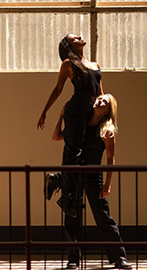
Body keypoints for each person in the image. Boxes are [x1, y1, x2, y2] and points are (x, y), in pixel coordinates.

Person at [46, 94, 132, 270]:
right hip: (75, 173)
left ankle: (119, 257)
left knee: (103, 217)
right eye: (99, 98)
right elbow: (56, 137)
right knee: (72, 217)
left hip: (93, 175)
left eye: (104, 101)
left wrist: (108, 183)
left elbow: (110, 158)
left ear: (109, 109)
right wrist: (62, 114)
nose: (99, 101)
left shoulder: (106, 130)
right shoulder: (80, 123)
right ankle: (73, 260)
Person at [38, 34, 104, 218]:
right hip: (75, 110)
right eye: (74, 38)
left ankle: (57, 178)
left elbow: (100, 93)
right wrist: (45, 111)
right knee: (73, 152)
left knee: (83, 154)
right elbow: (58, 89)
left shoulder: (95, 65)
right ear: (68, 45)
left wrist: (106, 115)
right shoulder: (68, 64)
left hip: (90, 112)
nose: (80, 37)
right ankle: (68, 199)